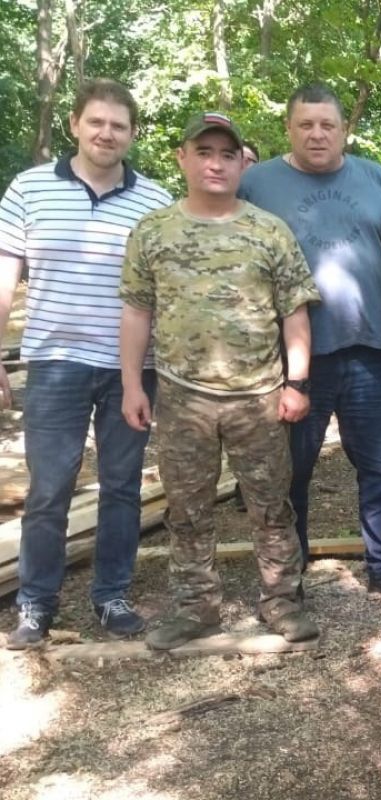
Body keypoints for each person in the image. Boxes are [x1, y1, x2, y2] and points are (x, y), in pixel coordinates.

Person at [119, 112, 320, 649]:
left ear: (240, 164)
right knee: (186, 510)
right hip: (182, 398)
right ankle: (196, 608)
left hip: (258, 398)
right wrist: (132, 386)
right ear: (182, 158)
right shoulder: (154, 231)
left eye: (227, 154)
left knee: (271, 506)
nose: (215, 163)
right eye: (204, 152)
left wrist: (297, 383)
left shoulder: (269, 230)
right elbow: (137, 312)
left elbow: (295, 313)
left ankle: (282, 601)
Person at [239, 84, 381, 606]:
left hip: (369, 350)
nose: (317, 134)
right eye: (306, 125)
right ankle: (290, 577)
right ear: (288, 128)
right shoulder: (256, 184)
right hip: (293, 363)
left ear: (345, 129)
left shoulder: (374, 178)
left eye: (328, 125)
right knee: (292, 474)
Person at [0, 79, 171, 649]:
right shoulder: (29, 189)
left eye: (118, 125)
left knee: (122, 485)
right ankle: (35, 603)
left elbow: (167, 291)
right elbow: (4, 277)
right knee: (50, 488)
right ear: (75, 123)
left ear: (132, 133)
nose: (106, 133)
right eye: (96, 121)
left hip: (132, 370)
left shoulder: (155, 202)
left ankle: (112, 595)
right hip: (55, 363)